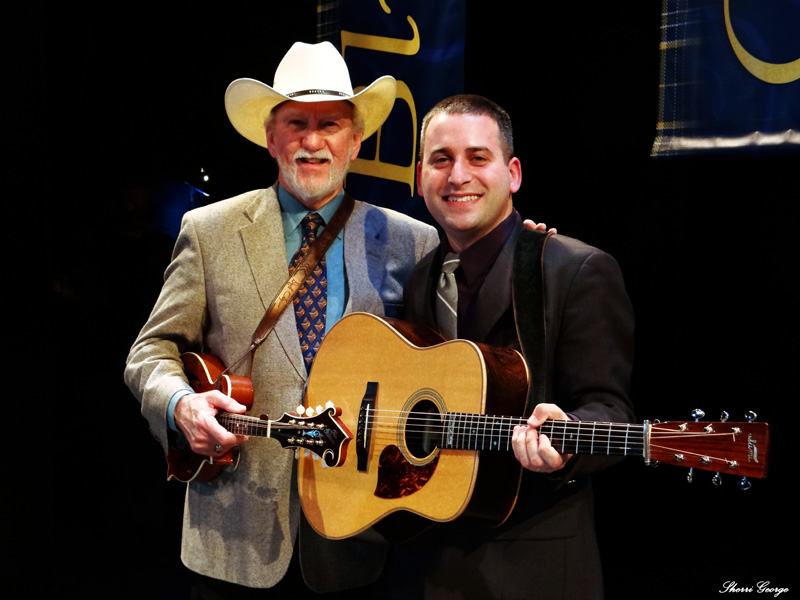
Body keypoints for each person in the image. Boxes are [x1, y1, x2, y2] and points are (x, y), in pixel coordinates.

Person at [123, 41, 439, 596]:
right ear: (271, 138)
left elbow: (442, 366)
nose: (313, 141)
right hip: (232, 538)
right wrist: (180, 404)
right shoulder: (209, 230)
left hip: (357, 539)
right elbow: (151, 351)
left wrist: (527, 245)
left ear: (355, 140)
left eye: (330, 124)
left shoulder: (410, 242)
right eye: (297, 123)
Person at [386, 94, 635, 599]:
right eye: (441, 159)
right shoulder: (419, 279)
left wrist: (569, 437)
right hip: (430, 562)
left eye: (478, 157)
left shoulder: (577, 269)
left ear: (513, 173)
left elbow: (611, 409)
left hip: (535, 565)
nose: (458, 175)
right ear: (420, 177)